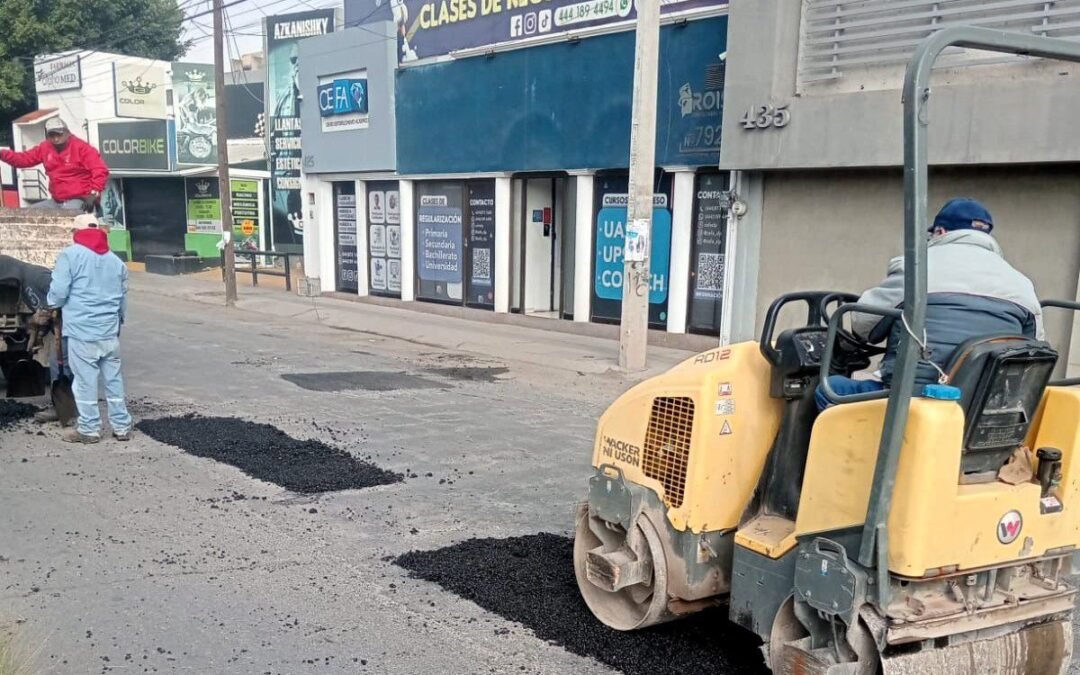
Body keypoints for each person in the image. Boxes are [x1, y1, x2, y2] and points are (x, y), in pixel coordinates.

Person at [816, 198, 1043, 412]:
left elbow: (863, 326)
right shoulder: (1022, 284)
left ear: (940, 232)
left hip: (911, 400)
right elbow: (1035, 348)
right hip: (982, 410)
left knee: (831, 389)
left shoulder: (916, 268)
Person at [46, 213, 132, 443]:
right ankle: (122, 426)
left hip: (82, 332)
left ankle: (90, 429)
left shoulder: (70, 256)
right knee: (113, 380)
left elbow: (58, 293)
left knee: (84, 381)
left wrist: (52, 305)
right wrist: (117, 323)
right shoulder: (116, 262)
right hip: (109, 332)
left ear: (76, 233)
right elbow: (123, 300)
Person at [0, 118, 109, 212]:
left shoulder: (83, 148)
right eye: (52, 135)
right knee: (27, 213)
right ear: (47, 135)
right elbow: (23, 159)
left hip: (81, 199)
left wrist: (93, 194)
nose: (56, 138)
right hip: (56, 201)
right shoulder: (45, 147)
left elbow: (100, 170)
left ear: (67, 133)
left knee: (66, 216)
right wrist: (2, 154)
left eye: (59, 134)